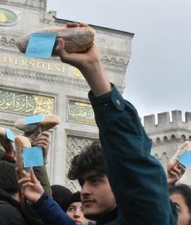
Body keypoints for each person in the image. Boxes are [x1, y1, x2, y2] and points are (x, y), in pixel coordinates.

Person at [55, 22, 177, 224]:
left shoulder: (146, 217)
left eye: (95, 181)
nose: (84, 191)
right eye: (82, 182)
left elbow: (131, 158)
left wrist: (94, 71)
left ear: (121, 182)